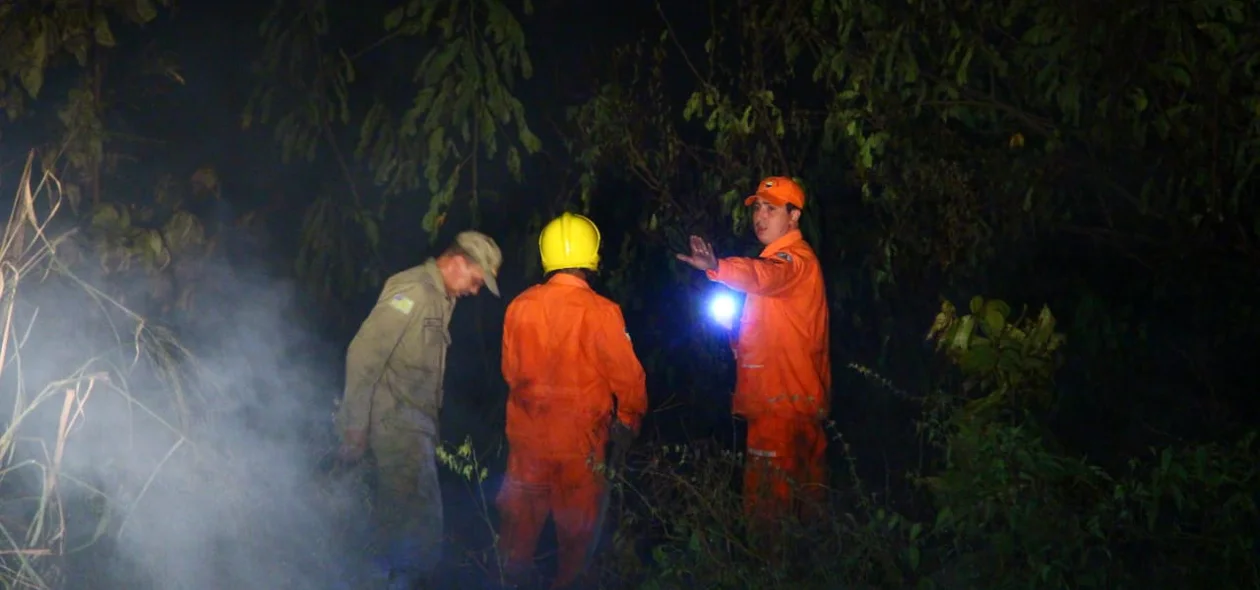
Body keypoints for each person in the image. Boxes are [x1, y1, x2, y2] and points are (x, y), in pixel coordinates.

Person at [336, 230, 503, 589]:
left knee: (406, 525)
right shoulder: (412, 291)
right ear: (458, 262)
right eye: (475, 281)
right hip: (396, 426)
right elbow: (364, 355)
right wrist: (355, 426)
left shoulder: (442, 299)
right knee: (418, 528)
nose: (475, 291)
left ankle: (387, 580)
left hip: (415, 428)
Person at [496, 212, 648, 589]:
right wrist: (629, 419)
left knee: (515, 542)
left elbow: (510, 372)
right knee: (578, 548)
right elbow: (628, 378)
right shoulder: (602, 312)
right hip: (580, 450)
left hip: (528, 444)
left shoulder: (519, 306)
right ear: (591, 258)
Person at [676, 176, 831, 525]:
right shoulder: (792, 263)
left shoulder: (792, 261)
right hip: (800, 406)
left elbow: (765, 276)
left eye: (771, 209)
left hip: (779, 409)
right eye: (758, 207)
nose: (760, 216)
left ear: (794, 217)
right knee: (810, 516)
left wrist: (718, 268)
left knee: (767, 516)